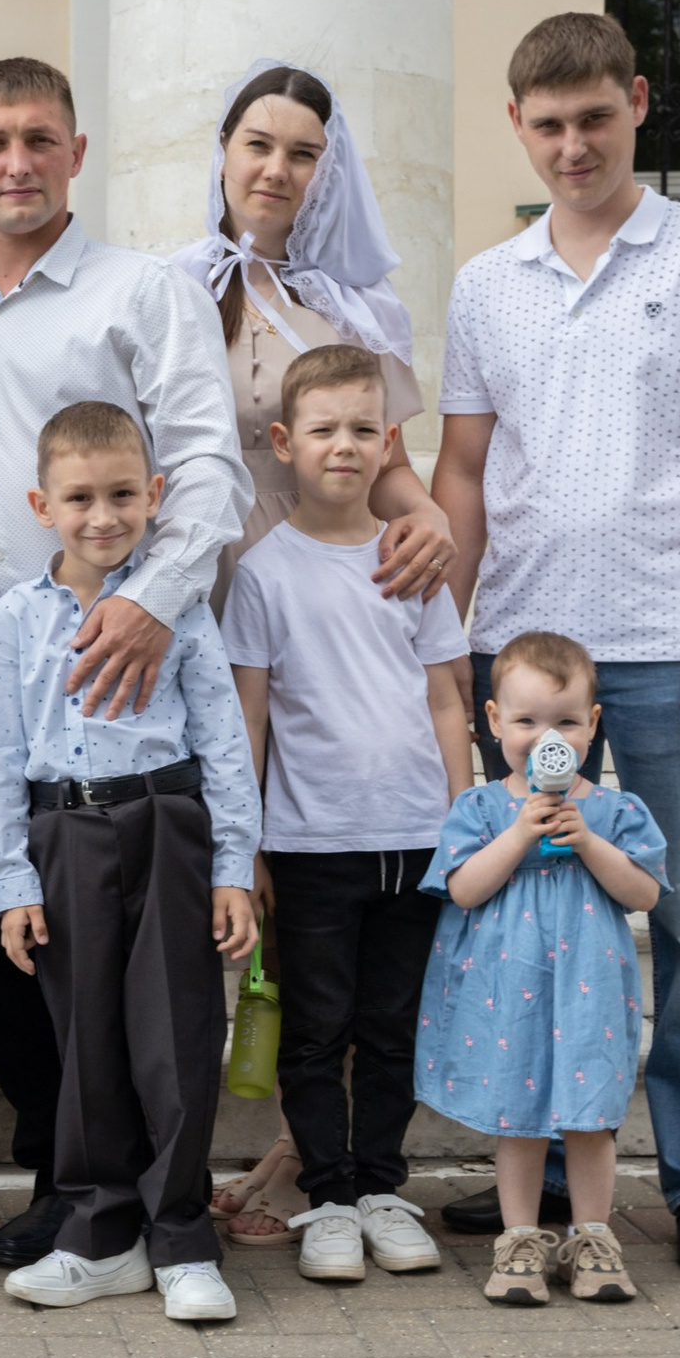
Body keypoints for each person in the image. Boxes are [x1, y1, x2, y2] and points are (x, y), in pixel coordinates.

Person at [431, 12, 680, 1278]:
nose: (573, 144)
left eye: (594, 116)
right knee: (521, 920)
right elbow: (464, 475)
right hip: (524, 663)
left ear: (637, 101)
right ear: (517, 128)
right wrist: (449, 653)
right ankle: (525, 1181)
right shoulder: (487, 283)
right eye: (548, 125)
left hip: (667, 647)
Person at [0, 56, 250, 1271]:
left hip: (120, 634)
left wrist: (153, 601)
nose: (16, 162)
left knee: (129, 933)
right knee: (8, 915)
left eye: (38, 138)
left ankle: (130, 1193)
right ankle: (62, 1172)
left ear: (76, 152)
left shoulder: (136, 292)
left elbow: (208, 465)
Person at [168, 59, 459, 1251]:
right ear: (223, 151)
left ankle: (313, 1169)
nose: (275, 169)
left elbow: (375, 452)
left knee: (323, 946)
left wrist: (425, 510)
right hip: (210, 611)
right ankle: (207, 1160)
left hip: (323, 600)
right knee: (235, 893)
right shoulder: (175, 288)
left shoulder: (349, 311)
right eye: (257, 143)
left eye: (301, 153)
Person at [0, 402, 260, 1322]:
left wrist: (231, 865)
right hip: (65, 836)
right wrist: (12, 879)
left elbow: (223, 737)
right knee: (86, 1038)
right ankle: (101, 1237)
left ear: (157, 496)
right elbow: (1, 755)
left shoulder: (174, 605)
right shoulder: (18, 617)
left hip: (164, 824)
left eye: (124, 496)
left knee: (173, 1038)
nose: (103, 516)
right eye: (80, 498)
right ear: (40, 504)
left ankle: (181, 1240)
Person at [223, 346, 472, 1285]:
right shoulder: (264, 572)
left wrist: (463, 821)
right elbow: (249, 713)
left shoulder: (412, 562)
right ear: (284, 443)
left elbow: (447, 698)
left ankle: (380, 1189)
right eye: (324, 429)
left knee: (393, 1026)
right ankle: (326, 1197)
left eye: (363, 430)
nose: (344, 446)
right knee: (319, 1029)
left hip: (414, 841)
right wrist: (242, 844)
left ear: (388, 443)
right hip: (313, 842)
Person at [415, 632, 667, 1306]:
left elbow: (643, 894)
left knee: (591, 1117)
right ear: (494, 723)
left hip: (590, 991)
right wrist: (521, 831)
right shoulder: (481, 809)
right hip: (511, 993)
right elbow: (465, 889)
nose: (542, 736)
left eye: (563, 721)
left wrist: (587, 840)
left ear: (592, 727)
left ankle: (592, 1236)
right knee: (519, 1116)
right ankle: (521, 1238)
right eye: (525, 721)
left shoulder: (616, 811)